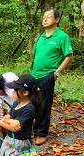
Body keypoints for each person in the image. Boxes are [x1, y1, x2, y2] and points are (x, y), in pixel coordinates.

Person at [31, 8, 73, 145]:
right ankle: (32, 129)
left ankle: (41, 133)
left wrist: (57, 72)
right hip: (34, 75)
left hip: (47, 75)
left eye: (49, 17)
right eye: (44, 17)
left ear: (57, 19)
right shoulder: (40, 37)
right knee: (33, 103)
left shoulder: (62, 36)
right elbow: (35, 55)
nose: (45, 19)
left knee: (44, 104)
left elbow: (68, 55)